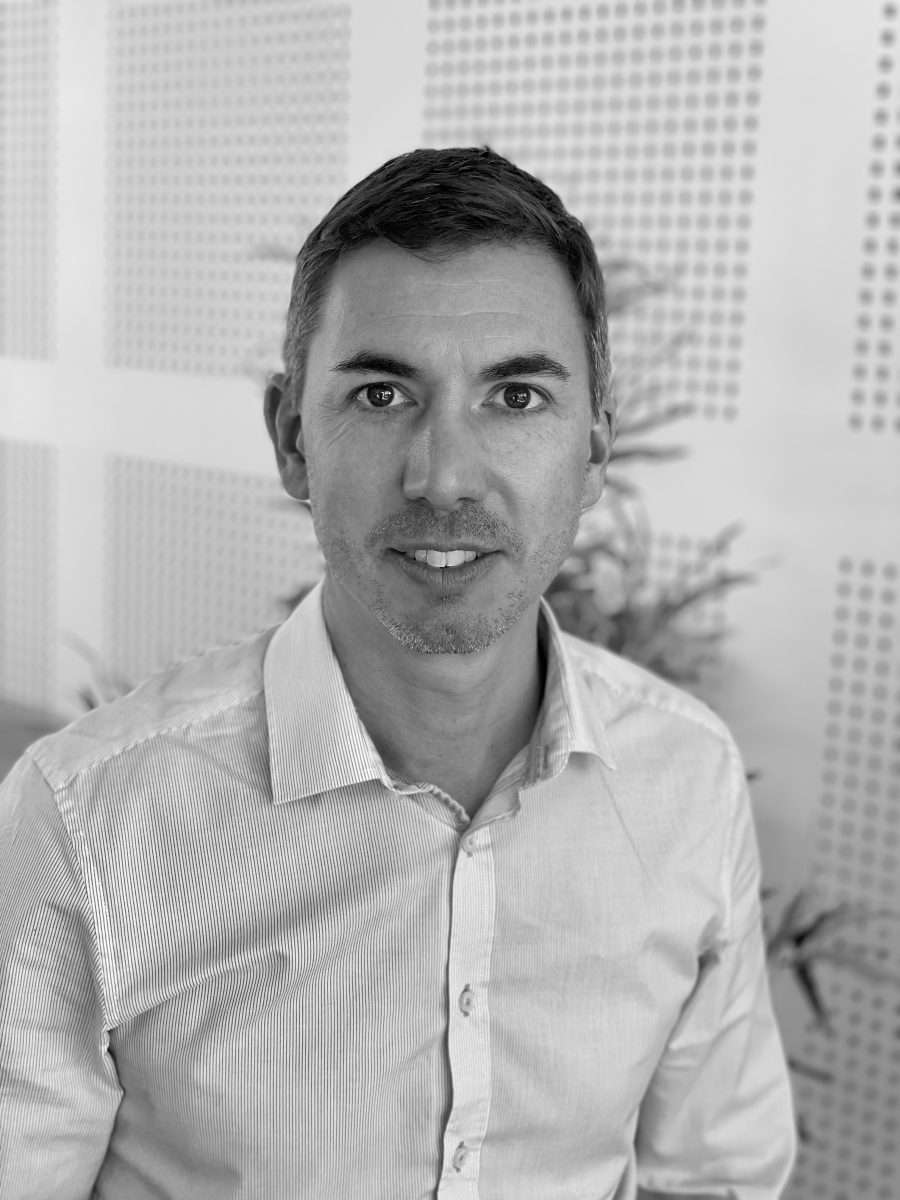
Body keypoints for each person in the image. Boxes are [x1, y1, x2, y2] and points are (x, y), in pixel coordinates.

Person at [0, 146, 796, 1199]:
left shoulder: (687, 777)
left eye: (516, 396)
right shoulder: (84, 819)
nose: (445, 476)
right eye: (382, 394)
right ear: (293, 438)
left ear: (595, 450)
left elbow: (716, 1175)